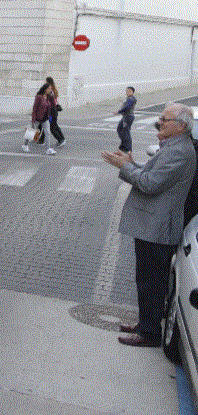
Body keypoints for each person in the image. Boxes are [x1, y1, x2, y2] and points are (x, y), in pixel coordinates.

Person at [102, 103, 196, 347]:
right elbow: (149, 173)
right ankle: (146, 323)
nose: (159, 122)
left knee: (151, 283)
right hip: (153, 226)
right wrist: (131, 164)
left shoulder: (179, 151)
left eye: (164, 119)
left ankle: (150, 333)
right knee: (147, 280)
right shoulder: (173, 146)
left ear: (180, 125)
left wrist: (124, 166)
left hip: (158, 228)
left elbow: (150, 184)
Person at [22, 83, 50, 153]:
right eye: (49, 88)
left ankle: (48, 149)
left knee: (47, 133)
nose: (50, 90)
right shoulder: (39, 97)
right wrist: (33, 119)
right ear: (45, 89)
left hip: (45, 119)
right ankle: (25, 145)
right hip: (37, 118)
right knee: (31, 133)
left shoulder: (48, 97)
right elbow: (35, 108)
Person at [45, 77, 65, 152]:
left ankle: (60, 140)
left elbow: (50, 102)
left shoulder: (50, 91)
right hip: (55, 110)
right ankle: (62, 138)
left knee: (52, 127)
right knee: (55, 125)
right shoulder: (54, 90)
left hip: (52, 111)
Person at [116, 86, 137, 154]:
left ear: (133, 92)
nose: (127, 92)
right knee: (120, 129)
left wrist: (119, 111)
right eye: (127, 91)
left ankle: (128, 148)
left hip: (128, 117)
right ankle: (123, 145)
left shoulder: (131, 99)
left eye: (129, 91)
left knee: (126, 132)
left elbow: (127, 106)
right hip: (125, 117)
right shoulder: (128, 98)